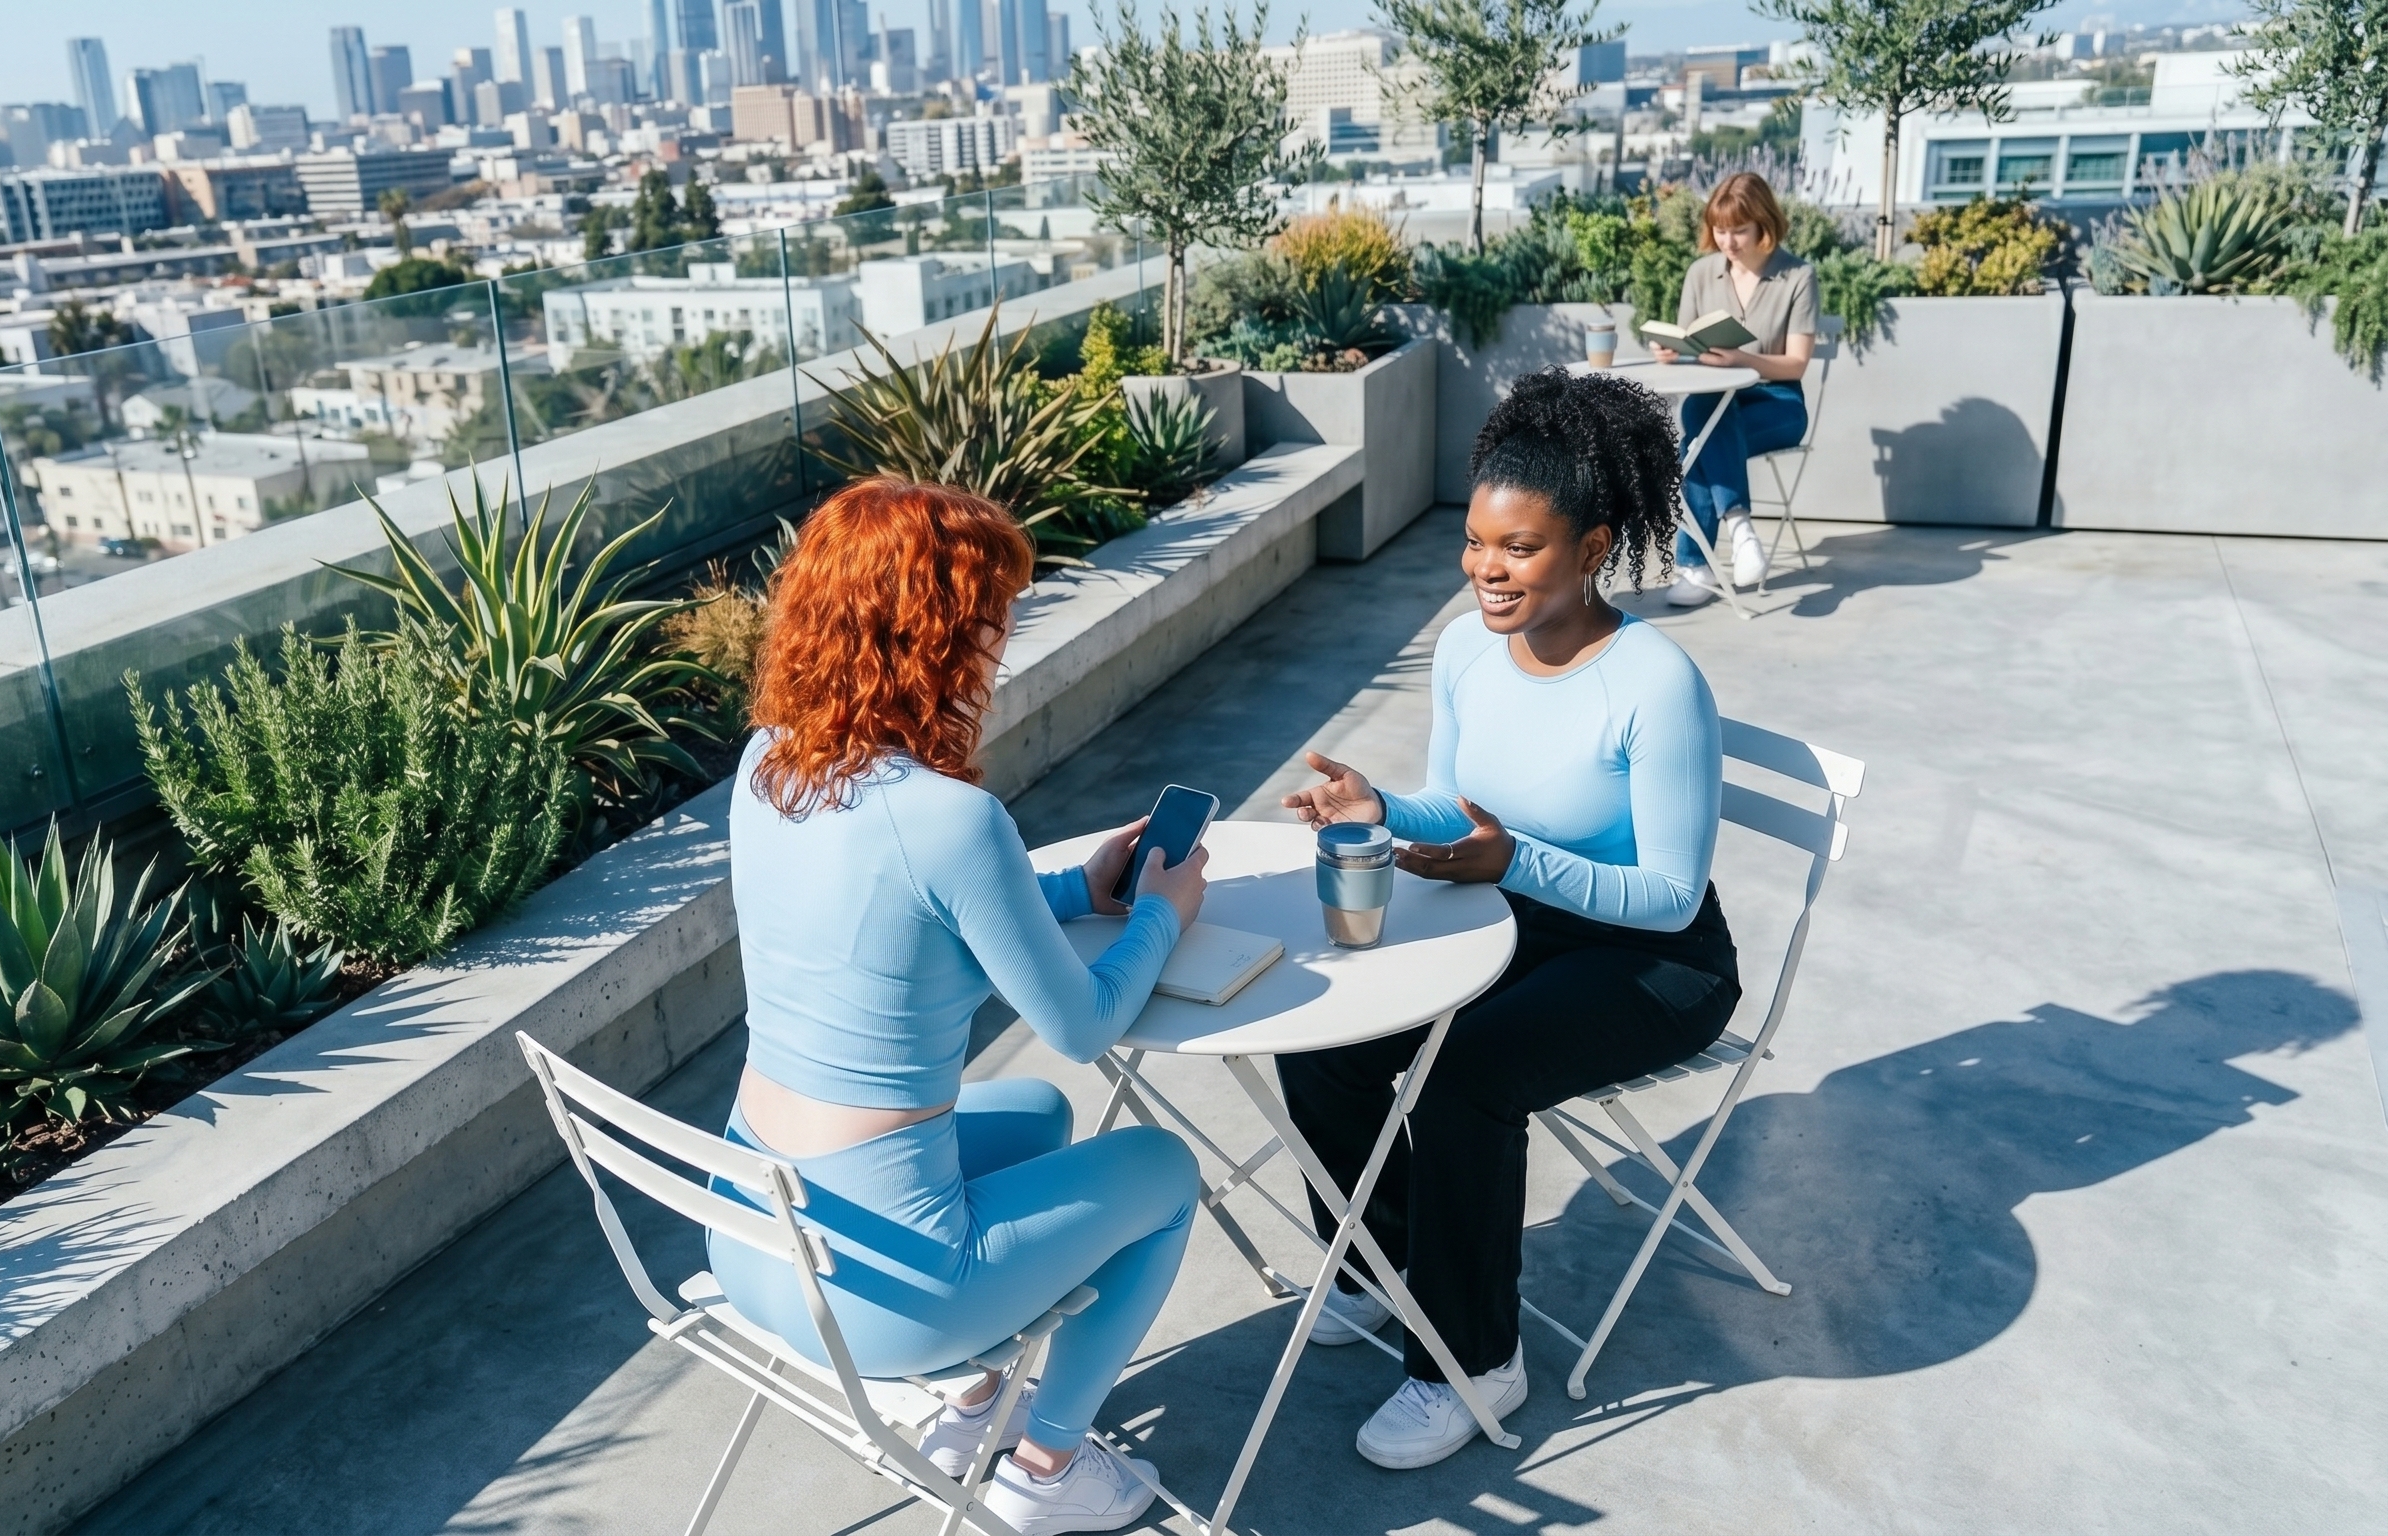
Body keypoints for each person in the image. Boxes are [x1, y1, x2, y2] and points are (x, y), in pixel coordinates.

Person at [707, 476, 1207, 1533]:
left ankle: (974, 1399)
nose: (1003, 641)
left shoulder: (763, 766)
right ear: (932, 634)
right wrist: (1160, 912)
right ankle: (1045, 1468)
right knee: (1163, 1171)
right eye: (993, 617)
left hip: (750, 1232)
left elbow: (899, 931)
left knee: (1034, 1118)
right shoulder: (951, 819)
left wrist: (1075, 890)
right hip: (879, 1302)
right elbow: (1080, 1028)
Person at [1276, 369, 1744, 1471]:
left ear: (1590, 547)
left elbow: (1670, 896)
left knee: (1461, 1076)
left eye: (1519, 549)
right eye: (1478, 543)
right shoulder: (1464, 649)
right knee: (1326, 1033)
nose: (1486, 569)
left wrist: (1513, 860)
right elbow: (1461, 802)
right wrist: (1383, 807)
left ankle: (1471, 1361)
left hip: (1654, 962)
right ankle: (1382, 1273)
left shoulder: (1656, 684)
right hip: (1516, 914)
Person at [1659, 170, 1821, 606]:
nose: (1727, 242)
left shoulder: (1798, 276)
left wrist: (1743, 359)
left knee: (1698, 432)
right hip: (1715, 399)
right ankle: (1741, 528)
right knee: (1702, 417)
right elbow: (1692, 342)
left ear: (1764, 225)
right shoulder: (1701, 273)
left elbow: (1796, 365)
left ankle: (1695, 568)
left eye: (1739, 231)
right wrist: (1676, 352)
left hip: (1778, 402)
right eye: (1720, 230)